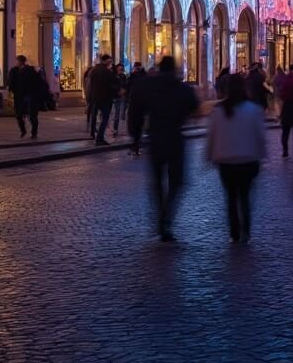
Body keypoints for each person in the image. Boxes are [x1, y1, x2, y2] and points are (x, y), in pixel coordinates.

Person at [128, 56, 199, 242]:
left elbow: (135, 112)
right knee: (177, 181)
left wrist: (135, 138)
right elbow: (194, 106)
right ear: (174, 69)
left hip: (155, 138)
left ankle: (161, 216)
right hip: (175, 137)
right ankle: (166, 217)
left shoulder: (146, 86)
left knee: (157, 182)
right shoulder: (182, 88)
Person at [207, 72, 266, 243]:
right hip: (248, 159)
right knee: (245, 196)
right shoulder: (253, 109)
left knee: (231, 197)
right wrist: (262, 155)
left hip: (226, 160)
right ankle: (246, 230)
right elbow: (260, 135)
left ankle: (234, 232)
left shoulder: (218, 111)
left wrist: (209, 155)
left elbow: (212, 135)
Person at [7, 55, 44, 139]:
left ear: (21, 61)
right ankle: (24, 130)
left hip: (29, 96)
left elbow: (37, 83)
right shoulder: (15, 71)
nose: (16, 63)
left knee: (31, 115)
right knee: (19, 115)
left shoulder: (30, 71)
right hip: (20, 96)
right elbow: (11, 82)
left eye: (17, 61)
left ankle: (33, 132)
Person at [89, 54, 117, 146]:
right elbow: (111, 85)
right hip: (105, 98)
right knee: (104, 119)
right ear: (106, 61)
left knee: (96, 117)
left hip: (96, 98)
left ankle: (95, 135)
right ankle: (99, 138)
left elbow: (90, 84)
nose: (110, 63)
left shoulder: (94, 70)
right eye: (110, 61)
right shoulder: (107, 72)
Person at [111, 62, 128, 137]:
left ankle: (118, 129)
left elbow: (125, 84)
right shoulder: (114, 76)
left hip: (122, 96)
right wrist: (118, 90)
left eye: (121, 68)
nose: (120, 69)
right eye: (119, 68)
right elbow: (112, 85)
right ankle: (115, 130)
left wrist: (124, 90)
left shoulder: (123, 76)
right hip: (116, 96)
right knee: (116, 115)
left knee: (121, 114)